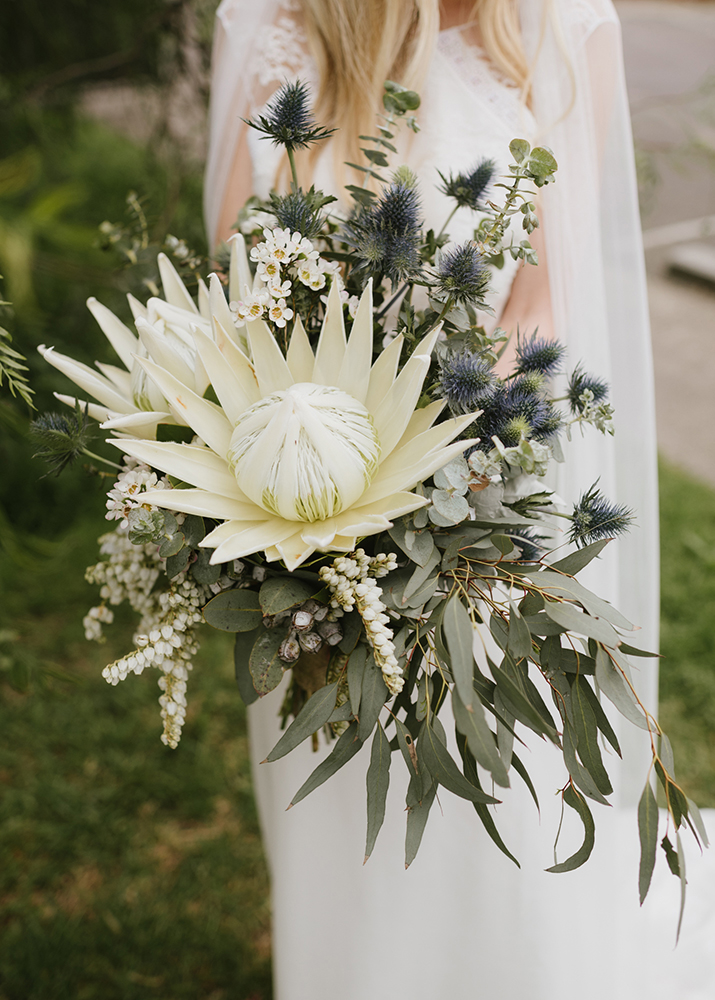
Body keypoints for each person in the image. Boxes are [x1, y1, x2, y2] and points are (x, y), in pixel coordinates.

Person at [203, 2, 714, 997]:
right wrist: (308, 448)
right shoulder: (272, 26)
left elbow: (541, 294)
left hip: (485, 476)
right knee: (334, 761)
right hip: (302, 479)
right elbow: (234, 257)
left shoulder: (566, 28)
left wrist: (444, 457)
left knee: (492, 766)